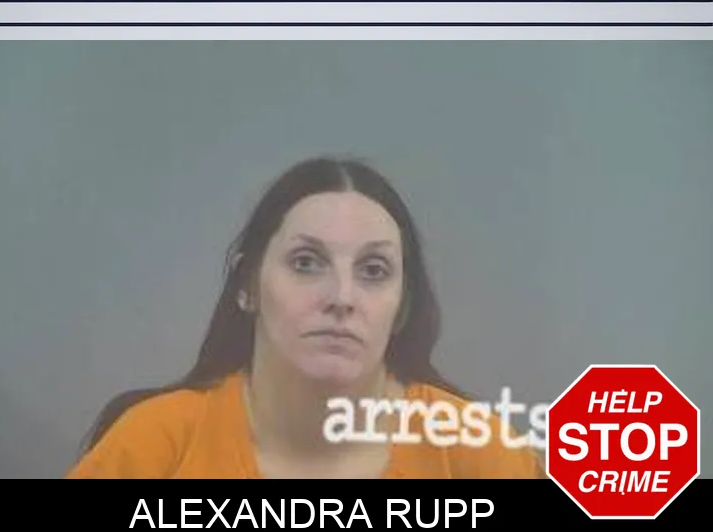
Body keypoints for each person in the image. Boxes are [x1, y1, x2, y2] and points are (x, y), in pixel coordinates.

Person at [66, 156, 545, 479]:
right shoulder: (153, 446)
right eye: (306, 263)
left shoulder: (478, 455)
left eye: (373, 270)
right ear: (247, 285)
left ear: (402, 307)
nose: (341, 297)